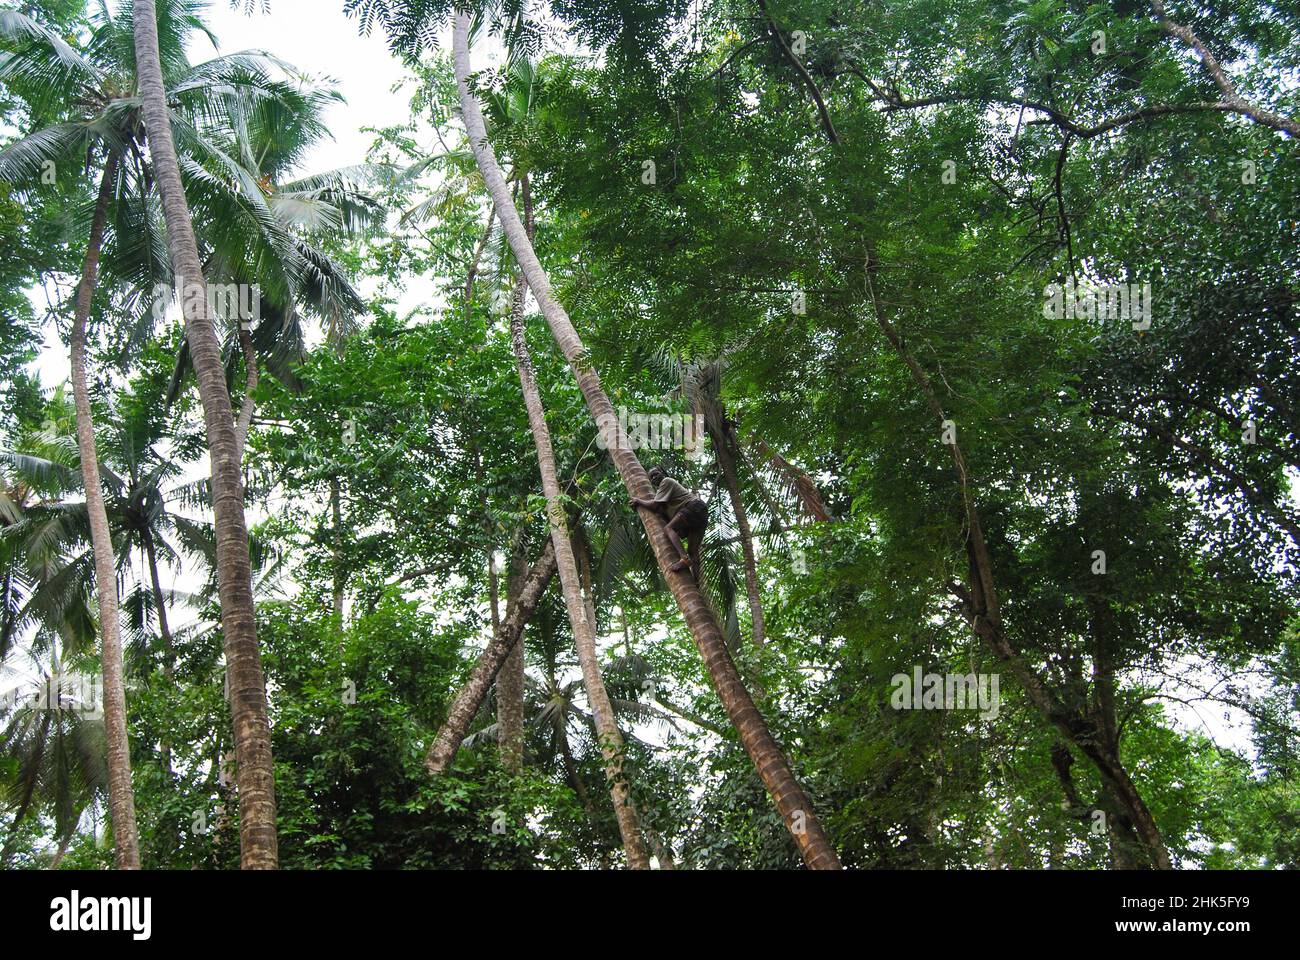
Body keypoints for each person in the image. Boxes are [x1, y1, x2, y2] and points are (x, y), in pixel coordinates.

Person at [631, 466, 708, 577]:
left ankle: (684, 558)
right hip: (700, 515)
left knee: (668, 528)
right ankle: (696, 581)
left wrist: (638, 500)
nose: (654, 478)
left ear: (662, 473)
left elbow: (654, 505)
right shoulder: (665, 498)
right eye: (651, 477)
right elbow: (660, 509)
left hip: (694, 507)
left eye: (656, 474)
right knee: (692, 550)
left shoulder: (666, 481)